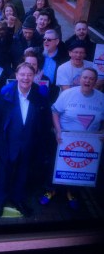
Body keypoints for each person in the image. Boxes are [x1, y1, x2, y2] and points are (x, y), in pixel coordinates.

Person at [0, 63, 52, 218]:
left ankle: (18, 199)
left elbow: (46, 120)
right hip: (7, 143)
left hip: (30, 144)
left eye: (29, 75)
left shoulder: (40, 94)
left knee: (23, 174)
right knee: (4, 173)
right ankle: (0, 201)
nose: (26, 78)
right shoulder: (5, 93)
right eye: (22, 74)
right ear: (16, 76)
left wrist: (42, 143)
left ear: (34, 76)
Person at [41, 68, 104, 209]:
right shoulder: (68, 94)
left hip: (88, 143)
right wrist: (58, 131)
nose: (87, 81)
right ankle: (50, 190)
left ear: (95, 81)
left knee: (79, 168)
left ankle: (72, 193)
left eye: (91, 79)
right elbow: (55, 112)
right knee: (55, 166)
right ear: (79, 79)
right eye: (85, 77)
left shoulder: (101, 98)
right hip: (64, 140)